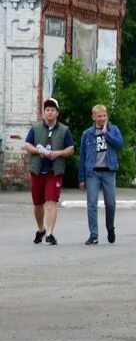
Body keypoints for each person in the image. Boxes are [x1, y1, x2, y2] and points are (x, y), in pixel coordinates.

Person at [23, 97, 74, 246]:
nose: (50, 112)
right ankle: (41, 229)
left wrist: (57, 154)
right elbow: (27, 144)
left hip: (54, 170)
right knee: (38, 204)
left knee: (51, 201)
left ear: (57, 113)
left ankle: (50, 233)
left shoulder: (64, 130)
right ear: (44, 113)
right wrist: (38, 152)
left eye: (52, 110)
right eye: (47, 110)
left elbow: (70, 149)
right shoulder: (36, 128)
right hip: (37, 170)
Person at [78, 104, 125, 245]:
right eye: (99, 116)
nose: (102, 118)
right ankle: (94, 235)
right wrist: (81, 178)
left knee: (110, 203)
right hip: (93, 172)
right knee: (92, 203)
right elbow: (82, 156)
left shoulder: (113, 130)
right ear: (94, 117)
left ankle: (110, 227)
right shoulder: (88, 134)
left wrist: (106, 134)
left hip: (108, 171)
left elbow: (120, 144)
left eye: (104, 115)